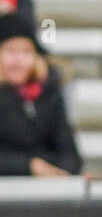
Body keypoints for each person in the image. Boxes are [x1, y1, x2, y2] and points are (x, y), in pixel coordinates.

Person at [0, 17, 82, 178]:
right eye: (10, 50)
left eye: (26, 51)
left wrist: (53, 169)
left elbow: (71, 156)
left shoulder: (49, 94)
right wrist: (29, 166)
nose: (19, 60)